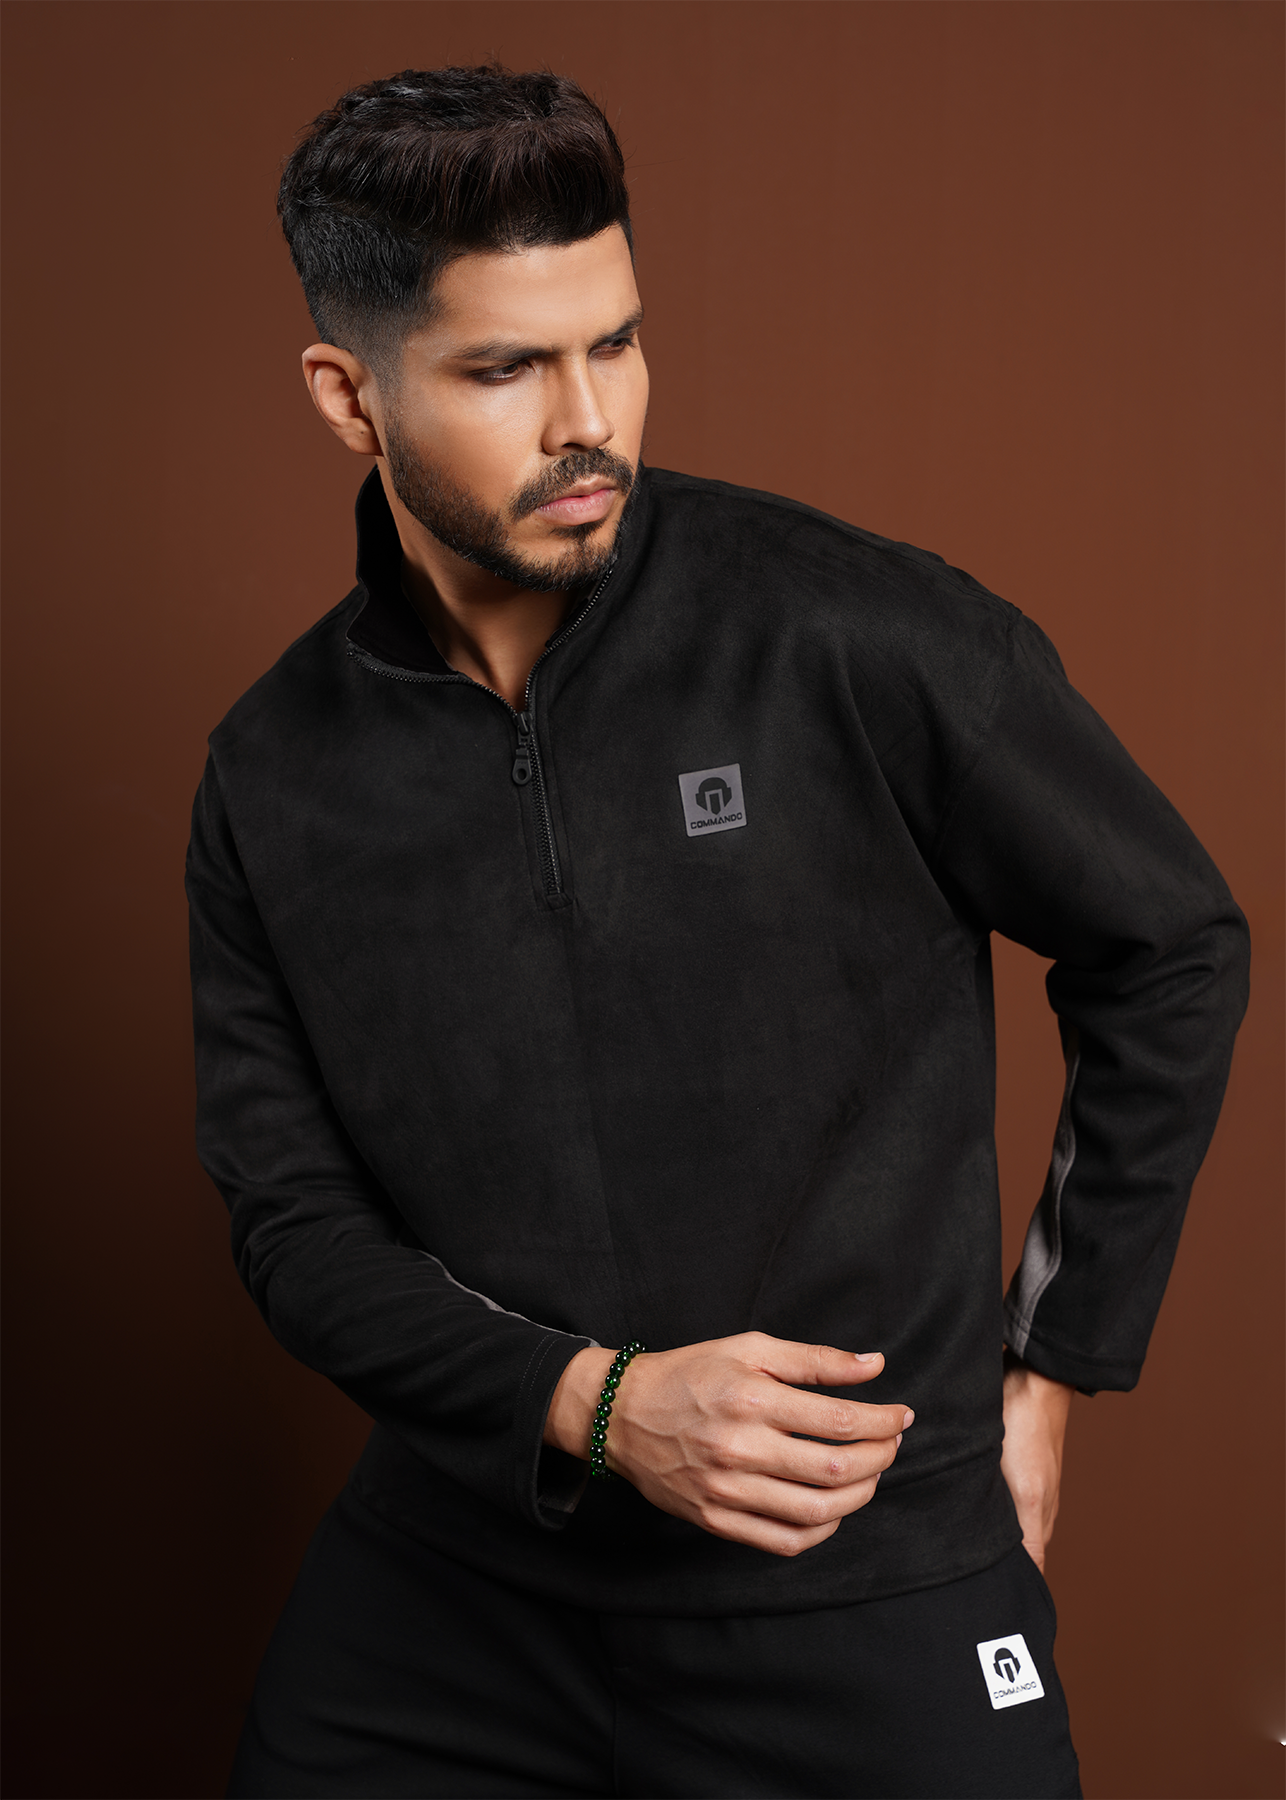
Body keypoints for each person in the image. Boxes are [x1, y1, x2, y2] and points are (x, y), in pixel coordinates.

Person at [188, 64, 1248, 1800]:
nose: (585, 420)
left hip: (859, 1577)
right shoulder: (273, 774)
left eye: (614, 343)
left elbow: (1170, 940)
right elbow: (295, 1226)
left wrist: (1048, 1373)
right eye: (504, 369)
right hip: (457, 1596)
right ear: (347, 396)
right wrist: (595, 1405)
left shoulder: (857, 634)